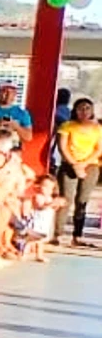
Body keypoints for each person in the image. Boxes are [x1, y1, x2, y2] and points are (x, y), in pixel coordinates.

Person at [55, 98, 101, 244]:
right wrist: (74, 164)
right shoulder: (67, 126)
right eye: (81, 108)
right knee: (65, 199)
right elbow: (62, 147)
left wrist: (84, 164)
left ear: (92, 111)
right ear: (75, 110)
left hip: (90, 165)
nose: (84, 111)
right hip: (70, 164)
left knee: (82, 200)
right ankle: (58, 234)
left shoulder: (97, 128)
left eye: (87, 108)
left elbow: (99, 149)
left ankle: (77, 235)